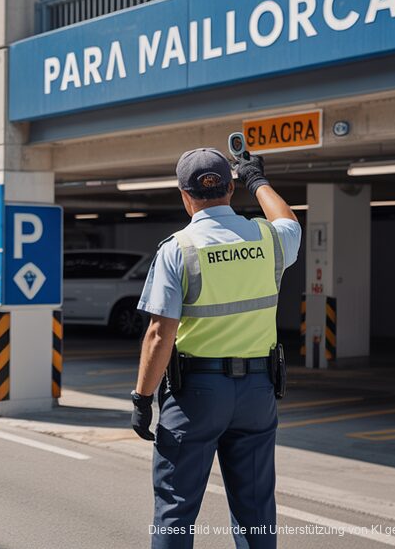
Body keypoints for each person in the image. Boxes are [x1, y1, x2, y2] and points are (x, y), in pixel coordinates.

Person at [130, 148, 301, 548]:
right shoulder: (269, 239)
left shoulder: (179, 248)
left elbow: (160, 334)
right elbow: (289, 221)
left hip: (196, 396)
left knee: (176, 507)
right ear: (230, 188)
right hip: (259, 392)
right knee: (256, 507)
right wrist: (258, 181)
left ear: (185, 195)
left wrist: (142, 397)